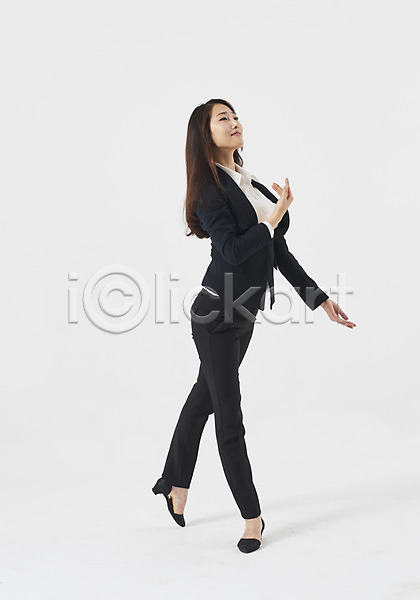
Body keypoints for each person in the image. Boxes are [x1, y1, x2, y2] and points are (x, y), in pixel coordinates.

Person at [152, 98, 356, 554]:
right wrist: (273, 219)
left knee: (203, 400)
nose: (234, 122)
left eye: (235, 115)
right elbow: (231, 250)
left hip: (244, 317)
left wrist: (319, 299)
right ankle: (252, 517)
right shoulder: (209, 190)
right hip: (215, 317)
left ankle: (173, 482)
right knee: (229, 417)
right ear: (204, 134)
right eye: (222, 118)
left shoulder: (250, 184)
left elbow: (276, 251)